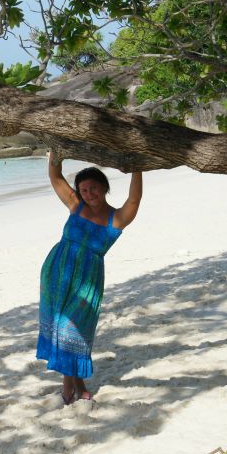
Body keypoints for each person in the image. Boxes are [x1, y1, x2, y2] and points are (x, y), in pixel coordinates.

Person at [36, 151, 143, 405]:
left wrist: (138, 167)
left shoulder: (115, 219)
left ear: (104, 188)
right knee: (60, 329)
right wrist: (56, 151)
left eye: (93, 188)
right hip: (56, 272)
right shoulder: (76, 205)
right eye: (83, 190)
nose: (88, 194)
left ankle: (67, 386)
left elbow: (134, 200)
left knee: (72, 331)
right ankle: (79, 385)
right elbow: (55, 175)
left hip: (87, 281)